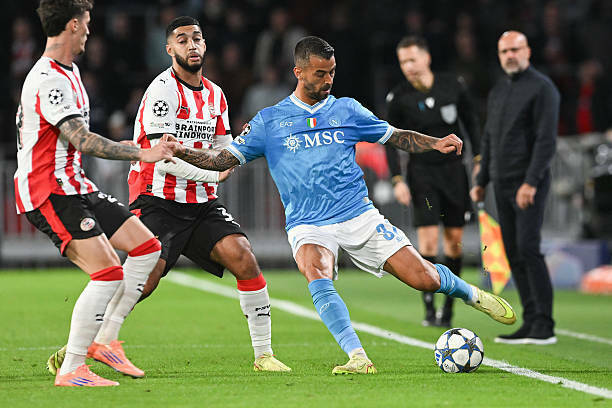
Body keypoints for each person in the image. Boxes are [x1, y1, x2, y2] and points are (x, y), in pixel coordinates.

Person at [170, 36, 517, 374]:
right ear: (298, 72)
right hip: (308, 223)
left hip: (358, 215)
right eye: (320, 73)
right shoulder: (269, 121)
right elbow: (221, 160)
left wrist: (434, 143)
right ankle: (357, 356)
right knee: (316, 269)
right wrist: (181, 150)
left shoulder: (347, 109)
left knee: (423, 278)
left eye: (332, 72)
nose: (328, 80)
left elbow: (394, 135)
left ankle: (472, 294)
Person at [17, 0, 178, 387]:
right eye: (87, 23)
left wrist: (127, 146)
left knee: (147, 248)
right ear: (73, 25)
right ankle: (72, 368)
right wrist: (141, 153)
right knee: (107, 273)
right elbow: (82, 139)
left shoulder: (69, 72)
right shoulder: (50, 78)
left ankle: (104, 340)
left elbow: (75, 138)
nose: (90, 31)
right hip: (48, 191)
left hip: (74, 185)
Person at [127, 16, 290, 372]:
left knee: (243, 256)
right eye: (182, 39)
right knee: (143, 282)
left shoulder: (216, 95)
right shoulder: (162, 91)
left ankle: (264, 355)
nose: (192, 45)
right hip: (158, 199)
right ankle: (80, 345)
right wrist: (213, 173)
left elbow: (225, 152)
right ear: (169, 49)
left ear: (204, 45)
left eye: (197, 38)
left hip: (201, 202)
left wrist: (220, 167)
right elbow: (163, 160)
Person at [384, 36, 481, 328]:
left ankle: (449, 308)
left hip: (454, 174)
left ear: (426, 58)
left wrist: (479, 160)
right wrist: (397, 180)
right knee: (427, 240)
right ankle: (429, 308)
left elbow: (471, 123)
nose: (408, 66)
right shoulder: (398, 97)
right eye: (403, 62)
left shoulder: (453, 85)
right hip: (422, 175)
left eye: (412, 59)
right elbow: (390, 140)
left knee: (453, 243)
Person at [470, 31, 559, 345]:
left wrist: (531, 182)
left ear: (527, 51)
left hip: (527, 182)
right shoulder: (499, 90)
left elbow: (546, 140)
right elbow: (489, 138)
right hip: (501, 182)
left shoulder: (543, 88)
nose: (509, 55)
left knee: (528, 248)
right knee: (513, 252)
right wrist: (481, 181)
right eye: (504, 51)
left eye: (515, 49)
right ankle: (531, 320)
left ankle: (544, 324)